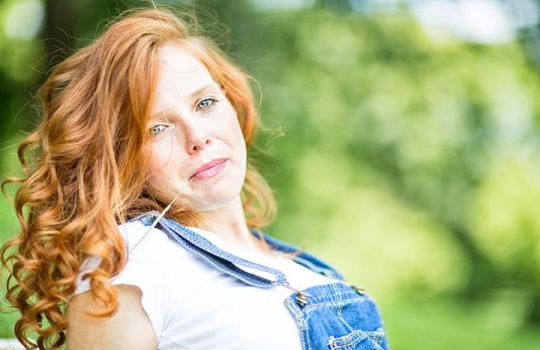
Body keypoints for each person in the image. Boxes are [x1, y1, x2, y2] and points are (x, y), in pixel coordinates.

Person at [0, 6, 390, 350]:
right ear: (121, 158)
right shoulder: (132, 260)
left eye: (204, 103)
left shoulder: (303, 266)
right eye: (157, 128)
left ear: (231, 101)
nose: (197, 137)